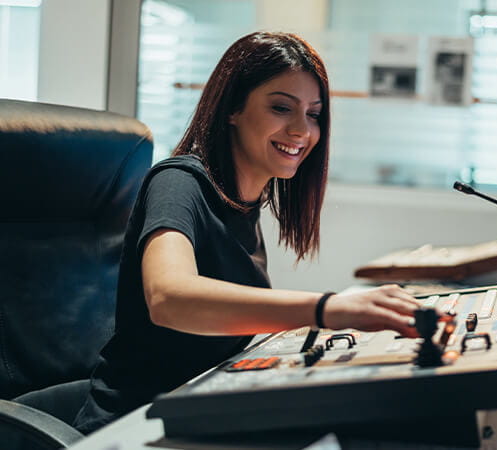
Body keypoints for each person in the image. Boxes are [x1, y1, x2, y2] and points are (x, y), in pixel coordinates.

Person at [72, 31, 419, 434]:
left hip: (200, 411)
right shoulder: (179, 183)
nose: (301, 131)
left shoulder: (247, 200)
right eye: (280, 108)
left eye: (313, 114)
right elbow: (169, 298)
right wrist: (327, 308)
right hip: (136, 426)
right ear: (233, 108)